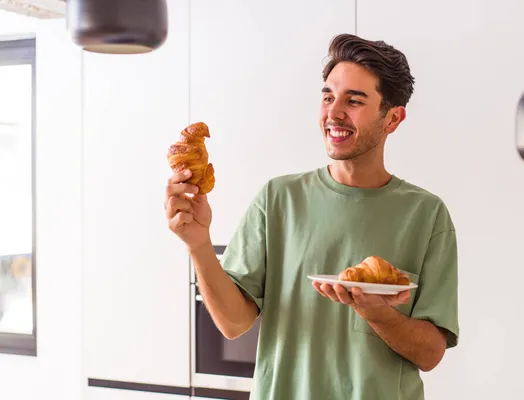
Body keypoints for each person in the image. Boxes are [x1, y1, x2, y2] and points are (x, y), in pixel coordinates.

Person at [165, 33, 459, 400]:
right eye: (327, 97)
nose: (334, 113)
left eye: (354, 101)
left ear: (392, 119)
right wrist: (198, 245)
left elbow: (430, 353)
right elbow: (232, 323)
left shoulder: (426, 215)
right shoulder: (277, 199)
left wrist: (377, 312)